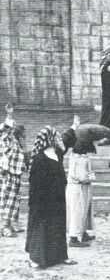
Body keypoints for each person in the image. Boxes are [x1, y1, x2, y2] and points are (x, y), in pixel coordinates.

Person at [25, 126, 76, 268]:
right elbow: (35, 184)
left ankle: (59, 256)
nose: (58, 138)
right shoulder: (39, 159)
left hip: (57, 199)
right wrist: (37, 204)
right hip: (43, 201)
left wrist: (73, 128)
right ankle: (37, 258)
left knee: (57, 226)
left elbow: (66, 142)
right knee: (42, 227)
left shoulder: (57, 153)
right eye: (56, 136)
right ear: (50, 139)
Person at [0, 104, 28, 237]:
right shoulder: (8, 142)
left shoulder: (18, 145)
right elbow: (5, 130)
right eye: (23, 134)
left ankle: (11, 224)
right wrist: (9, 115)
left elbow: (25, 158)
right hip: (8, 174)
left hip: (16, 175)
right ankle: (5, 227)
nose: (25, 136)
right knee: (9, 200)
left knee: (15, 200)